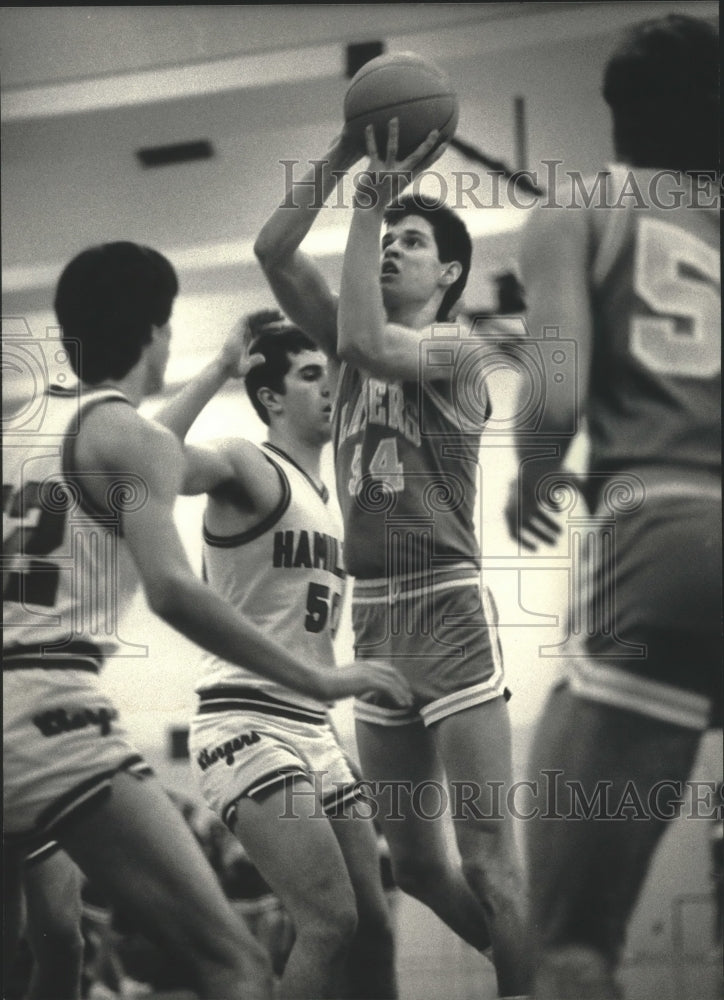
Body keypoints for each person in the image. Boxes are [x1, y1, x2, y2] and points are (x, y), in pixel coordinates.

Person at [2, 242, 413, 1000]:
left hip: (35, 706)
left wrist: (222, 367)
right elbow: (174, 591)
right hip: (56, 711)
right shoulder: (154, 444)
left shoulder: (25, 430)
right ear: (159, 331)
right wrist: (320, 676)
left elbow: (143, 451)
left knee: (47, 947)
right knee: (237, 963)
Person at [254, 121, 530, 998]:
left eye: (414, 242)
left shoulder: (456, 350)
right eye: (391, 237)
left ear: (449, 275)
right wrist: (343, 158)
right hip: (371, 620)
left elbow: (373, 344)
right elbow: (272, 247)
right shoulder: (348, 339)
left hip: (445, 607)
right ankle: (545, 974)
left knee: (491, 862)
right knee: (413, 865)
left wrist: (376, 199)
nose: (393, 250)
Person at [503, 14, 721, 998]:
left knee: (570, 945)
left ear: (614, 112)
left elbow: (552, 385)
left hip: (661, 535)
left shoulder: (577, 209)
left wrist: (533, 471)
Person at [155, 308, 399, 999]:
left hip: (314, 729)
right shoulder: (247, 462)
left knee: (375, 928)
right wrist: (218, 367)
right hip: (245, 723)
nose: (330, 387)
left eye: (334, 375)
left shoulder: (331, 494)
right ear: (270, 397)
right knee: (329, 922)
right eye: (311, 375)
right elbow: (150, 454)